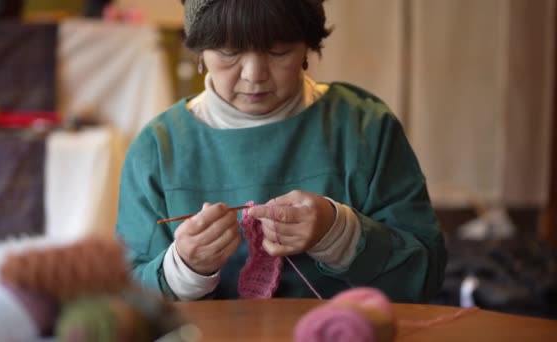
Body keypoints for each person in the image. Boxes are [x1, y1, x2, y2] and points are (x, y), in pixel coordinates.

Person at [116, 0, 446, 303]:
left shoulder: (364, 128)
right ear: (200, 49)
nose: (253, 75)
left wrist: (339, 233)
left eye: (278, 50)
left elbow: (425, 278)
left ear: (307, 46)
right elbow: (125, 301)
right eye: (230, 51)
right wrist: (183, 268)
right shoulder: (158, 149)